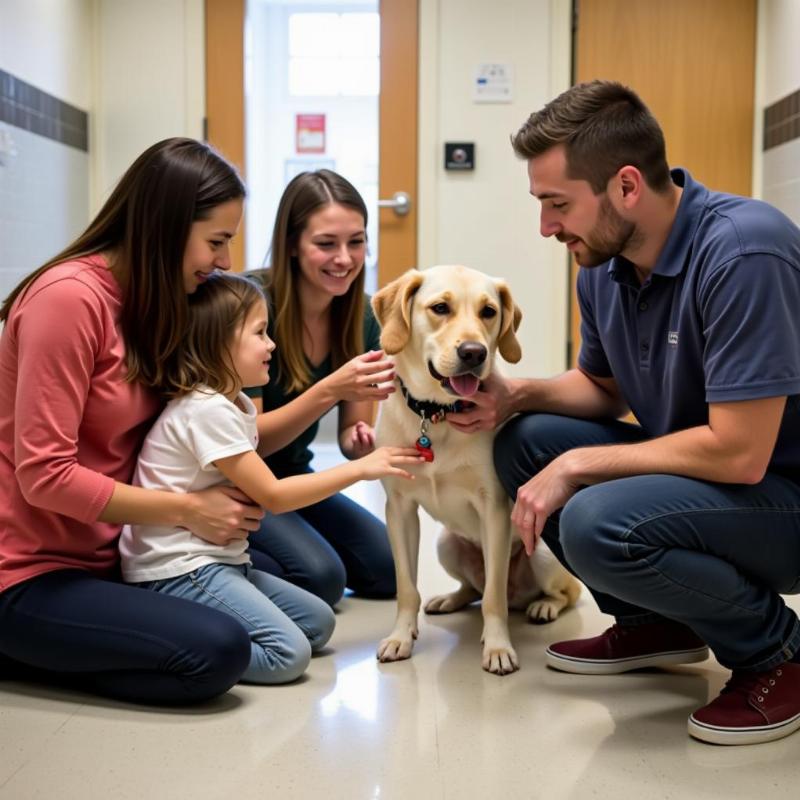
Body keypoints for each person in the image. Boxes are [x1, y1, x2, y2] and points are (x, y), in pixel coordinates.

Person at [449, 80, 800, 746]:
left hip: (783, 495)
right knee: (524, 440)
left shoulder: (744, 252)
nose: (547, 227)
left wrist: (581, 465)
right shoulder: (602, 266)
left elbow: (740, 451)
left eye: (557, 204)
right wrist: (518, 393)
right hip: (716, 483)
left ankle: (780, 653)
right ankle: (657, 622)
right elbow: (602, 387)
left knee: (593, 518)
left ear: (628, 187)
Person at [0, 137, 267, 705]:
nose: (223, 262)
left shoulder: (153, 297)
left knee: (303, 579)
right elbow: (43, 476)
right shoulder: (67, 301)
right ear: (166, 227)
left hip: (115, 548)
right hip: (27, 571)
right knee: (219, 651)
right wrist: (190, 510)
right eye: (216, 242)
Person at [119, 272, 422, 683]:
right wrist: (362, 468)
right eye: (260, 333)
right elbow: (274, 495)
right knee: (288, 655)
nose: (271, 345)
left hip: (225, 561)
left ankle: (211, 618)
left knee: (318, 623)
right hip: (181, 570)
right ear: (217, 343)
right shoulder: (205, 410)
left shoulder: (233, 402)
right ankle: (180, 642)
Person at [245, 170, 399, 607]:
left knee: (389, 568)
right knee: (322, 579)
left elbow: (353, 439)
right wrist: (329, 389)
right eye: (326, 244)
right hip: (237, 482)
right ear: (292, 244)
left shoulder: (360, 319)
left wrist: (361, 441)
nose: (345, 259)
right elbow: (250, 440)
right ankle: (226, 563)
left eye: (357, 241)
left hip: (295, 479)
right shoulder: (248, 306)